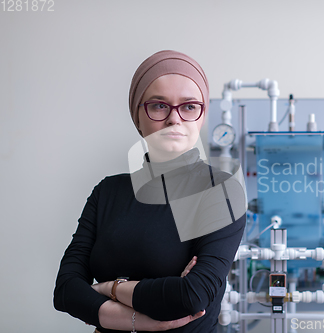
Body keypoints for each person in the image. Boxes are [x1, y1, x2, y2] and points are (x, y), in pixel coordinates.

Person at [53, 50, 247, 333]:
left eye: (189, 106)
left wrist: (110, 288)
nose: (174, 119)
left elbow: (191, 296)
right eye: (159, 106)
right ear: (138, 115)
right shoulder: (107, 192)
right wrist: (139, 319)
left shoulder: (221, 192)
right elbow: (65, 290)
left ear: (202, 116)